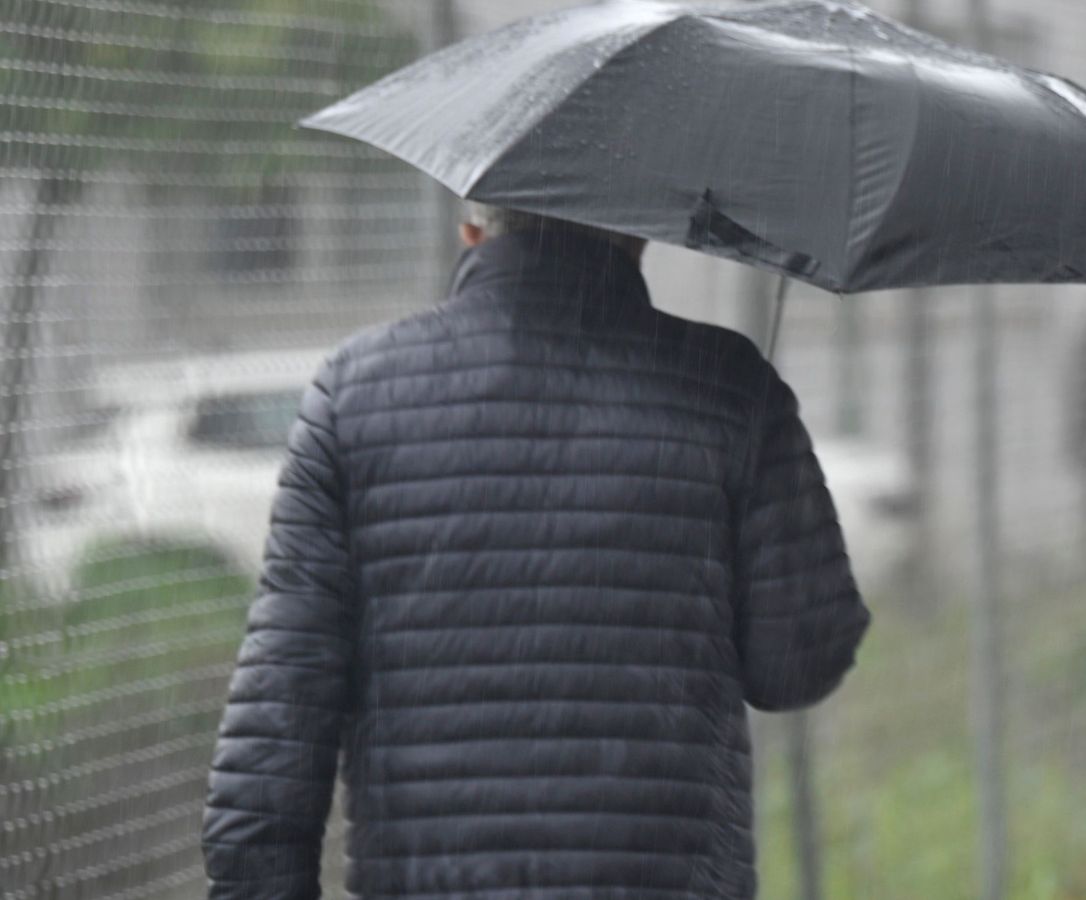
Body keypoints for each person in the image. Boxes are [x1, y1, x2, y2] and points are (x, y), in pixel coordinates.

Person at [199, 204, 871, 899]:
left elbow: (280, 710)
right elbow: (796, 667)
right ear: (639, 237)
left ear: (471, 230)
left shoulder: (353, 395)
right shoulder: (728, 386)